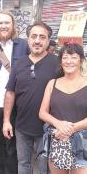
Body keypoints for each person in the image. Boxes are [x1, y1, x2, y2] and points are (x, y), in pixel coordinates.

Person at [3, 21, 59, 174]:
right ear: (28, 39)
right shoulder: (19, 63)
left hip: (47, 128)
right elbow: (10, 92)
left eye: (42, 37)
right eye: (33, 36)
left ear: (48, 41)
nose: (37, 41)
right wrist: (6, 121)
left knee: (44, 167)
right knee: (23, 164)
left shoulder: (57, 64)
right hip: (21, 126)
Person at [0, 10, 30, 174]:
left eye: (7, 23)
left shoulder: (24, 45)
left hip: (15, 105)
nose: (3, 26)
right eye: (0, 23)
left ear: (13, 25)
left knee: (11, 145)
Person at [39, 42, 87, 174]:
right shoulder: (52, 83)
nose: (69, 61)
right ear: (60, 61)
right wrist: (58, 123)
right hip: (57, 140)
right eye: (65, 57)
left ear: (81, 60)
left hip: (83, 143)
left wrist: (69, 129)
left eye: (74, 57)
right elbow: (42, 113)